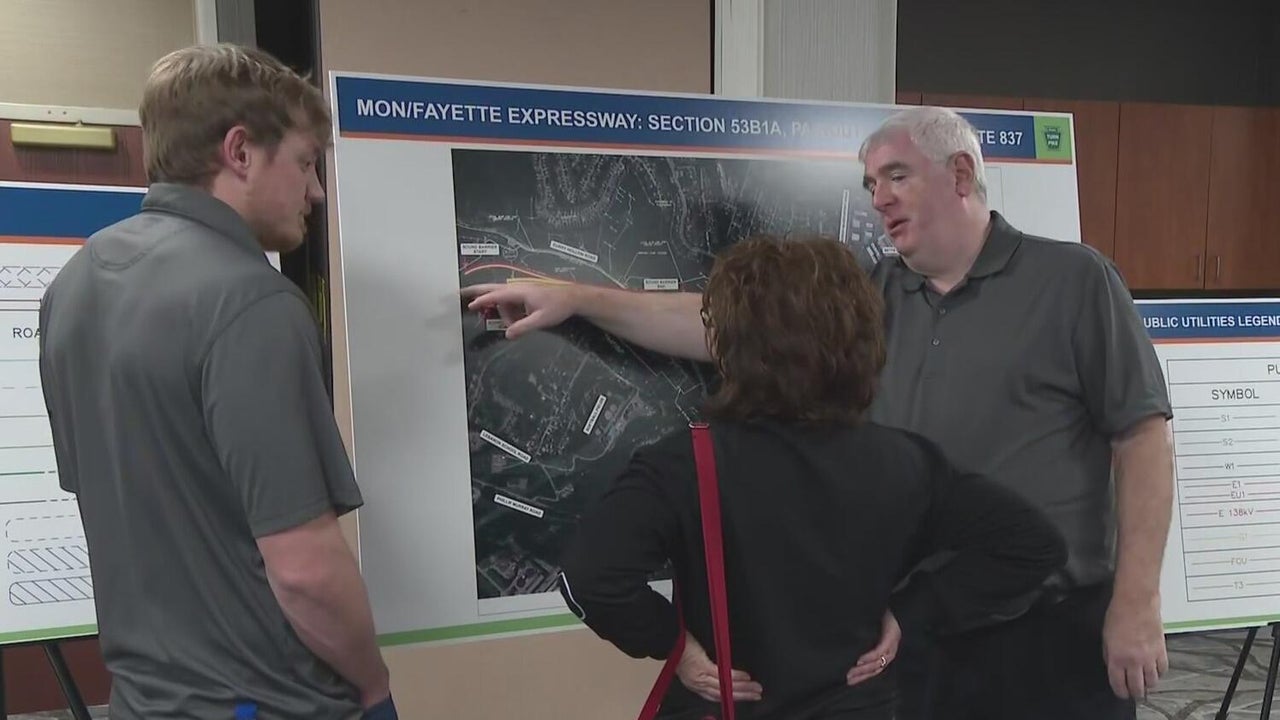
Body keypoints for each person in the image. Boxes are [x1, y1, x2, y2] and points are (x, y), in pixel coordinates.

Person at [463, 106, 1174, 720]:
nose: (878, 198)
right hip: (907, 637)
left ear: (961, 175)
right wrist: (579, 299)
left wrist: (1137, 601)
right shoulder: (874, 293)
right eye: (870, 184)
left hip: (1046, 628)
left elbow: (1142, 436)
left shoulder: (1074, 280)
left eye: (896, 175)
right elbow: (736, 324)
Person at [557, 234, 1066, 720]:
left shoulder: (683, 464)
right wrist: (911, 612)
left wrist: (676, 647)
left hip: (732, 704)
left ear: (734, 345)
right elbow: (1031, 544)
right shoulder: (907, 462)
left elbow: (592, 579)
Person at [38, 44, 396, 720]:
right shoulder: (253, 302)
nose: (316, 191)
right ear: (240, 152)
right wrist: (375, 688)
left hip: (142, 703)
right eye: (305, 162)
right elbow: (304, 571)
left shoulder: (73, 286)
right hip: (265, 704)